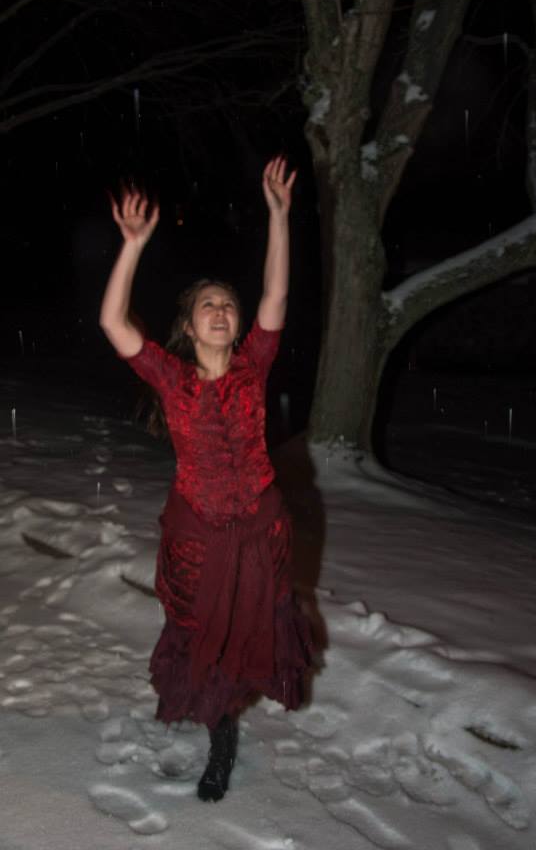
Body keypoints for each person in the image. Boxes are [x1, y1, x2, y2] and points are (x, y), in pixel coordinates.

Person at [99, 156, 314, 802]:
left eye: (227, 305)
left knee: (250, 631)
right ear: (190, 326)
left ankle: (223, 734)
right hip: (198, 535)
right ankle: (218, 723)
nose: (220, 310)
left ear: (237, 324)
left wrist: (279, 216)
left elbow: (276, 297)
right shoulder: (171, 378)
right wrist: (132, 246)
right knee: (204, 635)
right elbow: (114, 324)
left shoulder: (255, 365)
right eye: (207, 306)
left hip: (261, 530)